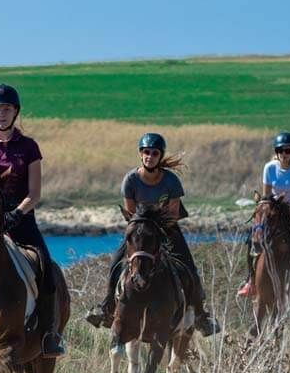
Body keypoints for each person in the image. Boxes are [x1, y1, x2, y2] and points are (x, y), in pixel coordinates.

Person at [85, 132, 221, 336]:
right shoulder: (130, 180)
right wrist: (142, 231)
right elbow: (130, 215)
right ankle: (106, 309)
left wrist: (157, 228)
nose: (150, 156)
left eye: (154, 153)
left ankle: (201, 315)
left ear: (160, 156)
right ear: (141, 155)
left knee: (189, 266)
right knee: (115, 263)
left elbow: (173, 214)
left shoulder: (171, 181)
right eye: (146, 152)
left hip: (167, 228)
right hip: (140, 230)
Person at [0, 83, 65, 357]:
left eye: (6, 109)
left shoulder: (29, 147)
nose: (1, 114)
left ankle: (48, 335)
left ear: (15, 112)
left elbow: (34, 193)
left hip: (19, 221)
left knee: (46, 268)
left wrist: (16, 214)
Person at [237, 131, 290, 303]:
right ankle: (250, 280)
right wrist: (265, 214)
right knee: (252, 238)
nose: (284, 154)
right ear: (276, 152)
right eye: (281, 151)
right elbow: (267, 196)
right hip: (275, 210)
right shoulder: (269, 168)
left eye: (288, 151)